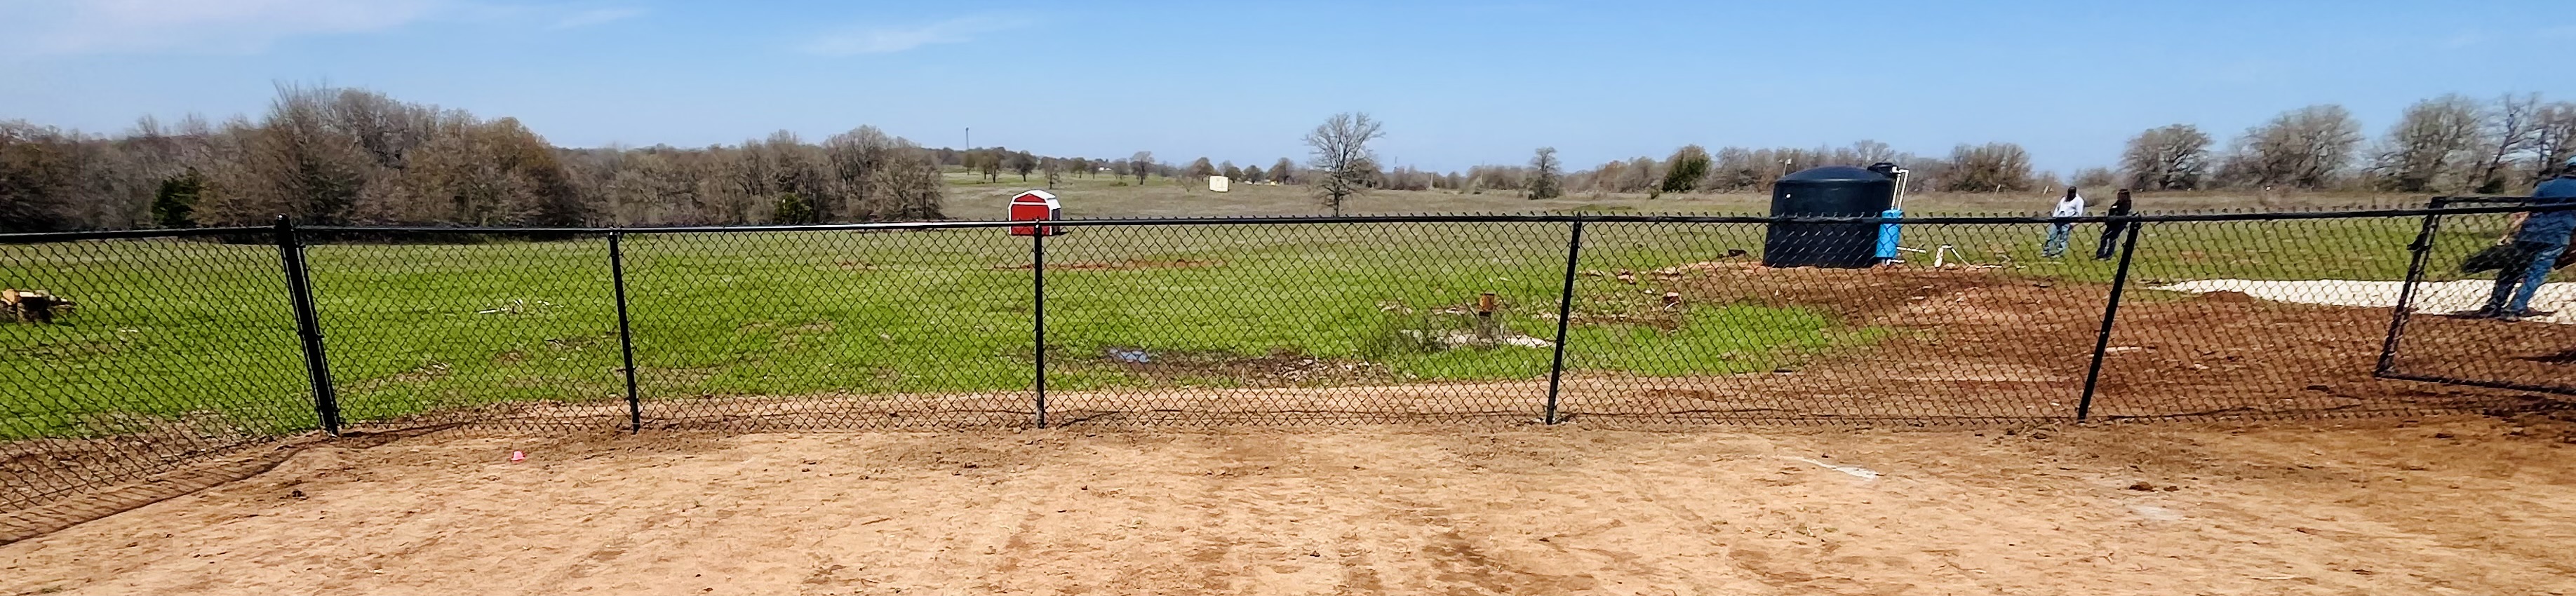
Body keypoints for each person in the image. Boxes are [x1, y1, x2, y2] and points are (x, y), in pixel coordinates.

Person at [2475, 156, 2576, 322]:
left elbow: (2526, 211)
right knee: (2536, 272)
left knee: (2512, 270)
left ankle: (2493, 306)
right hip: (2557, 235)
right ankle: (2515, 309)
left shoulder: (2546, 186)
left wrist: (2508, 233)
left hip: (2529, 233)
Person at [2041, 187, 2084, 258]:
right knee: (2051, 236)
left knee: (2063, 238)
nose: (2070, 195)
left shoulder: (2079, 201)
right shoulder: (2064, 199)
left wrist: (2074, 223)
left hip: (2067, 220)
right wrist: (2054, 217)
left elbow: (2079, 213)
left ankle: (2059, 253)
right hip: (2057, 219)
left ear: (2074, 193)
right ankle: (2046, 251)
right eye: (2069, 193)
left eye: (2071, 193)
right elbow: (2058, 208)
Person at [2095, 189, 2135, 260]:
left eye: (2120, 194)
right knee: (2105, 237)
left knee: (2110, 238)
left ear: (2125, 196)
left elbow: (2121, 213)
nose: (2118, 196)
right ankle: (2101, 254)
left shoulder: (2126, 204)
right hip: (2111, 224)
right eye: (2118, 194)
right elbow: (2113, 210)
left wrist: (2113, 216)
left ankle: (2108, 255)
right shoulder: (2118, 203)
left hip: (2119, 224)